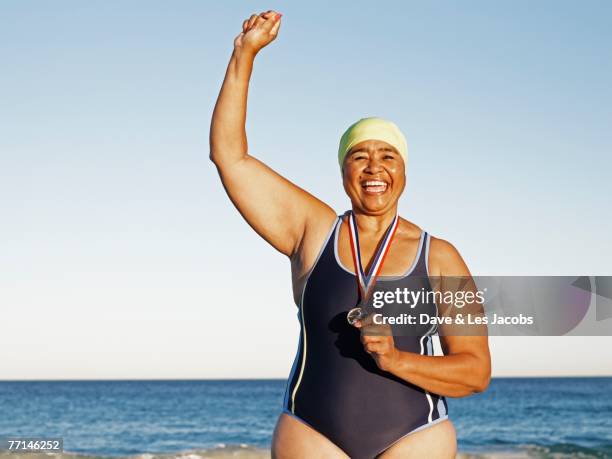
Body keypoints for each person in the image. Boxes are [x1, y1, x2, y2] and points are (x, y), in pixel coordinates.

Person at [209, 10, 491, 459]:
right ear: (343, 171)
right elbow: (230, 157)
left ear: (404, 171)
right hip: (312, 434)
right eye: (359, 156)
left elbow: (475, 372)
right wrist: (244, 54)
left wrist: (395, 359)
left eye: (388, 157)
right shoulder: (311, 230)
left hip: (414, 437)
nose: (374, 167)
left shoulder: (439, 257)